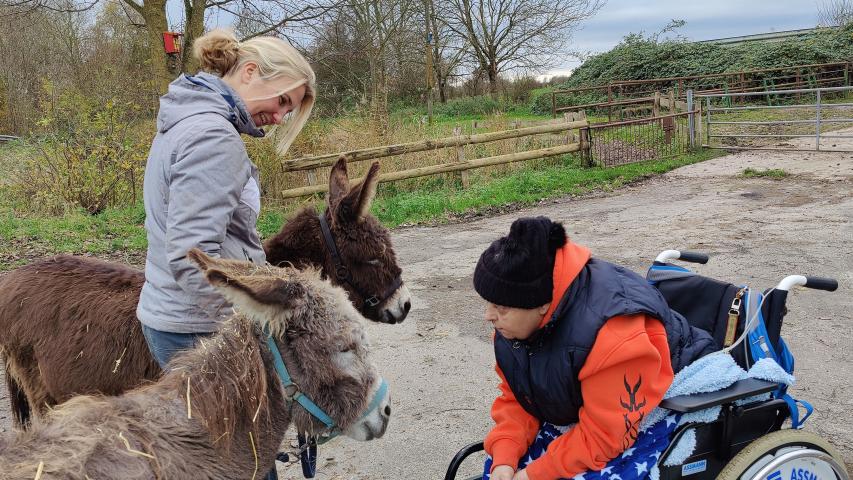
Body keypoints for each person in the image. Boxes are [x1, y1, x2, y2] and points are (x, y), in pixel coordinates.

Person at [136, 29, 315, 480]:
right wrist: (255, 316)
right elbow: (192, 257)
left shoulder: (187, 118)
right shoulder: (213, 136)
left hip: (174, 315)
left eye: (289, 110)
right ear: (250, 72)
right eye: (283, 101)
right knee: (245, 462)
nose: (280, 117)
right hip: (201, 327)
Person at [472, 216, 715, 480]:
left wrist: (533, 474)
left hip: (656, 389)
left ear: (542, 305)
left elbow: (605, 436)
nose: (488, 316)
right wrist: (504, 457)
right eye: (489, 303)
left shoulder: (614, 336)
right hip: (591, 389)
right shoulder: (513, 326)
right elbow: (519, 397)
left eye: (501, 307)